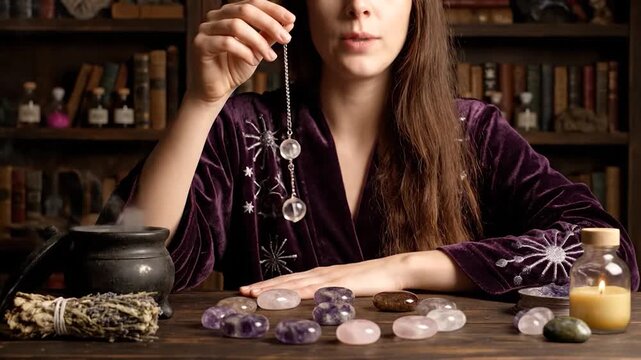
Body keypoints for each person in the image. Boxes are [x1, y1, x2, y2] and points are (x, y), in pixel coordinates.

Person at [99, 0, 639, 298]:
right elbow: (122, 269)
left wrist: (401, 268)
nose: (359, 7)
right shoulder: (241, 127)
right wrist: (201, 100)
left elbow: (605, 257)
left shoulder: (472, 132)